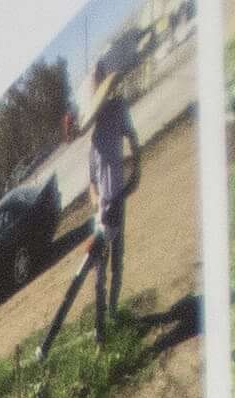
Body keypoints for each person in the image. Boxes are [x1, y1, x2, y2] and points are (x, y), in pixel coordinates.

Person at [86, 74, 140, 337]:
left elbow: (133, 138)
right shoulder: (93, 141)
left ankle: (113, 311)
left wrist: (136, 172)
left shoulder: (118, 109)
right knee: (99, 269)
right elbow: (91, 183)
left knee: (118, 259)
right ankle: (100, 328)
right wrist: (97, 204)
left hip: (119, 199)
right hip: (103, 211)